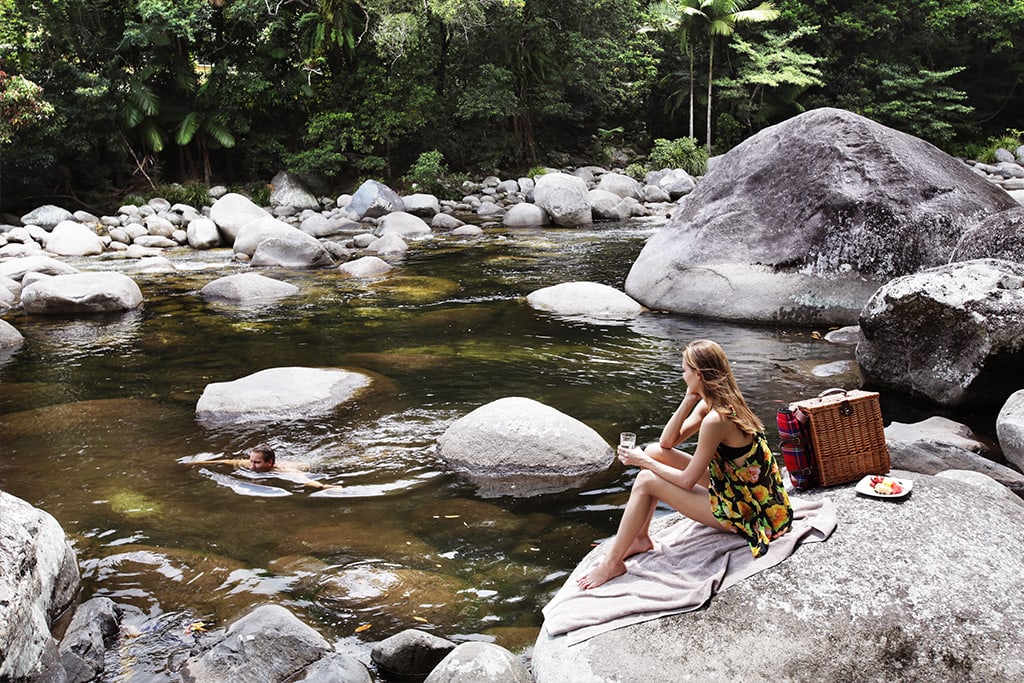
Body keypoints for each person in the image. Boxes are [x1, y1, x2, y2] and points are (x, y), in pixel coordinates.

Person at [576, 339, 793, 590]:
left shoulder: (716, 419)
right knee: (655, 451)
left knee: (646, 479)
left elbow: (687, 480)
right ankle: (640, 538)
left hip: (750, 511)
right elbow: (667, 443)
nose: (682, 375)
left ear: (698, 374)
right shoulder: (717, 401)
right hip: (740, 488)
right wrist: (688, 399)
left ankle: (612, 563)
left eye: (684, 370)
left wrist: (642, 462)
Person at [187, 443, 338, 490]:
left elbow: (302, 480)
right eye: (251, 461)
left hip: (305, 465)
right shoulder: (249, 463)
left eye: (257, 462)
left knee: (334, 460)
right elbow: (226, 461)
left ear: (269, 463)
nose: (251, 466)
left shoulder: (283, 470)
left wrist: (323, 487)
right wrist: (198, 463)